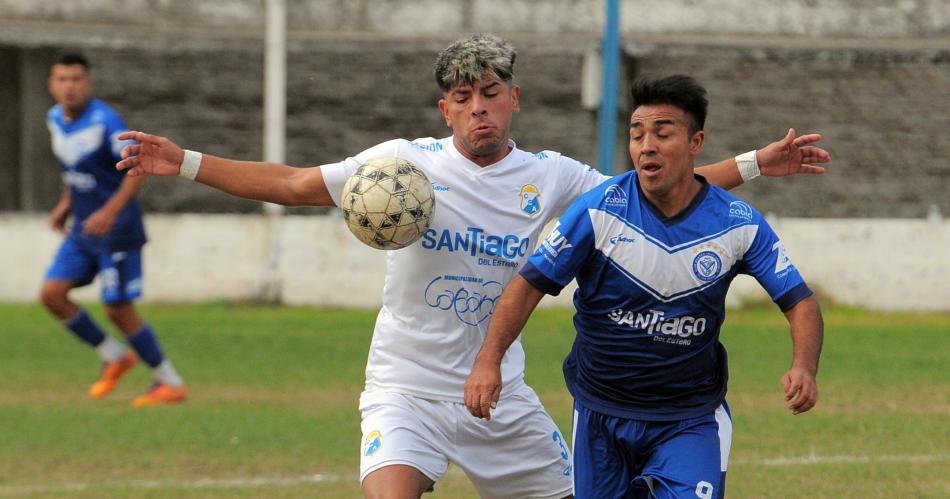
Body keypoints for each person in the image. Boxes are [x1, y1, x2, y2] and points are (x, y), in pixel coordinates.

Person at [116, 35, 828, 498]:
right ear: (445, 109)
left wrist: (757, 164)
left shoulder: (551, 177)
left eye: (492, 94)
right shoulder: (401, 166)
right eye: (464, 98)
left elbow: (649, 190)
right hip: (406, 387)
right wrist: (183, 161)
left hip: (502, 398)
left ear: (514, 99)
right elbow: (296, 185)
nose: (479, 109)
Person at [464, 74, 824, 498]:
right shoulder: (599, 211)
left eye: (662, 132)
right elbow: (528, 286)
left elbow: (799, 301)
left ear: (695, 143)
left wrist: (804, 365)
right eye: (636, 135)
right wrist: (489, 359)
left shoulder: (737, 223)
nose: (646, 145)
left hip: (689, 417)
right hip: (601, 413)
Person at [40, 52, 187, 407]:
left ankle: (170, 383)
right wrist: (65, 205)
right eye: (62, 79)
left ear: (88, 83)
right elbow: (78, 171)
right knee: (52, 295)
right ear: (51, 84)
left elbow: (136, 169)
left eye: (76, 79)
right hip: (83, 228)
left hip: (117, 229)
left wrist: (109, 211)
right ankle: (114, 356)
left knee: (117, 308)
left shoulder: (106, 123)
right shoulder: (54, 119)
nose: (69, 86)